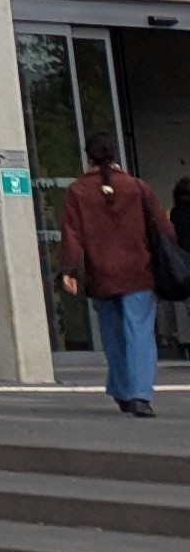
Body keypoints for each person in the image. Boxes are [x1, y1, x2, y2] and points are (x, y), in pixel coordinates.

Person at [58, 144, 172, 416]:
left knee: (113, 334)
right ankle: (140, 395)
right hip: (138, 271)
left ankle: (122, 391)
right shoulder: (137, 187)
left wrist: (69, 270)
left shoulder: (78, 191)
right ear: (116, 156)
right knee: (140, 333)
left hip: (101, 274)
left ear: (88, 158)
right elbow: (162, 228)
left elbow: (72, 234)